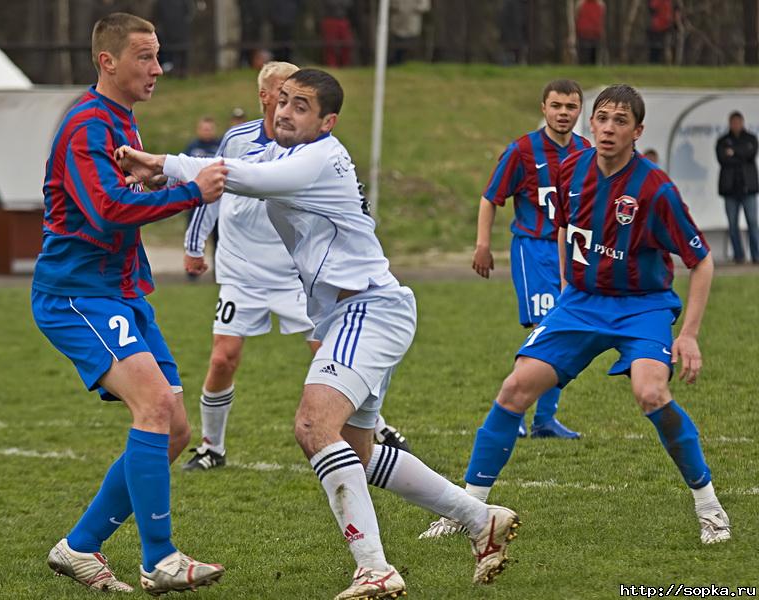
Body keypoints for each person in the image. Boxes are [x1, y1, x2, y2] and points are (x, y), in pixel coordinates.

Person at [118, 68, 520, 598]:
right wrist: (164, 172)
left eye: (301, 105)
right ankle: (478, 518)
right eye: (282, 101)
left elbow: (250, 180)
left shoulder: (322, 156)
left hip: (369, 309)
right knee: (361, 449)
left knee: (312, 426)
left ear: (327, 121)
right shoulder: (282, 152)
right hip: (351, 313)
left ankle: (374, 567)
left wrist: (161, 164)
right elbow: (228, 167)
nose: (285, 111)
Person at [430, 84, 731, 548]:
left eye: (621, 121)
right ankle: (467, 508)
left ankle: (709, 507)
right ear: (592, 124)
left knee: (651, 393)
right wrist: (570, 284)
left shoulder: (655, 188)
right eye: (603, 118)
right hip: (582, 303)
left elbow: (701, 261)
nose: (609, 128)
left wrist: (688, 335)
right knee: (514, 389)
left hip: (642, 305)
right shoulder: (573, 168)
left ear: (637, 131)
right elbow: (564, 227)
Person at [30, 13, 226, 594]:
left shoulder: (122, 123)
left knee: (174, 430)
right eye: (145, 56)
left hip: (121, 292)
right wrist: (190, 193)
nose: (158, 68)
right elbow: (107, 210)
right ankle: (159, 558)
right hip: (76, 294)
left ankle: (79, 546)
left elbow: (121, 197)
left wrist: (157, 180)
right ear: (107, 61)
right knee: (155, 408)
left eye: (158, 55)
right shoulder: (87, 125)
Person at [182, 61, 409, 471]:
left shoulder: (313, 152)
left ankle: (372, 424)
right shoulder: (238, 139)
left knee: (330, 354)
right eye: (277, 94)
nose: (283, 106)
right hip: (241, 270)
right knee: (222, 358)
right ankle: (211, 447)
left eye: (296, 100)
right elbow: (210, 187)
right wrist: (194, 242)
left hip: (294, 275)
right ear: (264, 97)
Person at [418, 79, 587, 540]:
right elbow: (490, 198)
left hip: (570, 251)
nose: (564, 113)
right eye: (557, 106)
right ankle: (543, 417)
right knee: (545, 326)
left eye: (572, 106)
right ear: (544, 108)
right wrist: (482, 245)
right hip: (533, 250)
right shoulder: (522, 150)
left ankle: (545, 418)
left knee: (564, 328)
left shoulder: (587, 150)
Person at [715, 110, 759, 264]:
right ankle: (739, 256)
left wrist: (733, 153)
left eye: (738, 122)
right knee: (733, 225)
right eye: (733, 122)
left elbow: (750, 154)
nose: (736, 125)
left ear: (742, 123)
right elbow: (722, 159)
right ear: (729, 123)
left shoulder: (751, 139)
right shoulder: (723, 141)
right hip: (730, 190)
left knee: (752, 223)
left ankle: (756, 256)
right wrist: (740, 155)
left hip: (748, 189)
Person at [183, 116, 221, 279]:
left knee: (218, 240)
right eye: (204, 128)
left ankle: (218, 273)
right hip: (196, 201)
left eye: (209, 128)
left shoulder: (220, 147)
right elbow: (183, 171)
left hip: (217, 201)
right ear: (199, 130)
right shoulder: (192, 148)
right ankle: (192, 271)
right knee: (194, 234)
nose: (207, 131)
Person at [321, 0, 354, 67]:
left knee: (347, 44)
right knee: (331, 45)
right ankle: (332, 66)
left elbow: (349, 4)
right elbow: (330, 3)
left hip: (343, 19)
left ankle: (345, 66)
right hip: (330, 19)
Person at [575, 0, 605, 65]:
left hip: (594, 33)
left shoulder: (600, 4)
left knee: (593, 57)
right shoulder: (582, 3)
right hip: (584, 33)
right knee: (585, 57)